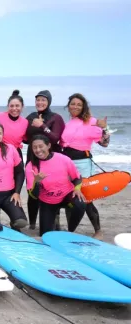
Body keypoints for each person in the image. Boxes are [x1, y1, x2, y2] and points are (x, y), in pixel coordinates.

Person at [60, 93, 109, 239]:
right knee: (70, 197)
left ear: (83, 107)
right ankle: (71, 230)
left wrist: (105, 128)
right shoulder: (68, 124)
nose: (75, 106)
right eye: (73, 104)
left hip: (82, 163)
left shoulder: (92, 121)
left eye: (79, 105)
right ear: (68, 106)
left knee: (86, 197)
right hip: (67, 163)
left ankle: (98, 230)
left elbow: (105, 143)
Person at [26, 135, 87, 236]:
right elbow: (34, 196)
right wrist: (37, 182)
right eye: (34, 147)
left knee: (80, 203)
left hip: (66, 197)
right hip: (48, 201)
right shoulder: (31, 166)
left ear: (48, 145)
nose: (38, 150)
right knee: (45, 235)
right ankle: (53, 223)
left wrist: (77, 189)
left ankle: (70, 231)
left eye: (41, 146)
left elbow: (77, 177)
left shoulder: (63, 159)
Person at [24, 90, 65, 229]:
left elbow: (55, 138)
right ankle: (32, 223)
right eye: (38, 100)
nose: (40, 103)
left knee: (51, 188)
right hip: (32, 156)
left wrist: (42, 126)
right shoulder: (31, 117)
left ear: (49, 102)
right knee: (33, 189)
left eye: (43, 100)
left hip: (51, 158)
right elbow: (24, 138)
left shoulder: (56, 117)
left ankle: (55, 219)